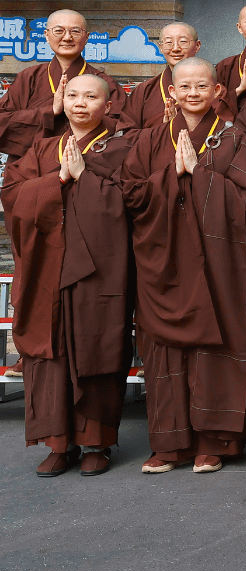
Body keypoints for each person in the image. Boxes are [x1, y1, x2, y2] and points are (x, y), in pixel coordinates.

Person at [121, 58, 246, 474]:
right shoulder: (148, 140)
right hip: (163, 259)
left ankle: (213, 442)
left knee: (217, 348)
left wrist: (200, 176)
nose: (194, 92)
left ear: (218, 91)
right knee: (164, 352)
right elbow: (130, 195)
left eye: (203, 85)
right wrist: (170, 176)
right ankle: (170, 443)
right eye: (186, 87)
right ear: (173, 92)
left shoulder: (235, 137)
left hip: (219, 259)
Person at [2, 75, 133, 478]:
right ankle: (58, 442)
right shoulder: (41, 148)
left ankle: (97, 442)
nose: (80, 103)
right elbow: (12, 194)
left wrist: (88, 181)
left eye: (91, 96)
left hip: (100, 269)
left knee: (97, 346)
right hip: (47, 267)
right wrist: (57, 180)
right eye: (72, 96)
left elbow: (137, 197)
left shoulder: (126, 146)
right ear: (61, 100)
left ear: (108, 105)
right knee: (51, 352)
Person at [0, 9, 129, 161]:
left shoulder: (104, 83)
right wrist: (50, 112)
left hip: (85, 167)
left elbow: (122, 131)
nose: (67, 38)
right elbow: (3, 122)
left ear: (87, 37)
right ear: (46, 36)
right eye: (59, 31)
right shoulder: (29, 77)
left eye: (75, 31)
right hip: (30, 168)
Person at [125, 22, 220, 130]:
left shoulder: (213, 90)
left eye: (183, 42)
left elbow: (223, 134)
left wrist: (182, 128)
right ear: (160, 47)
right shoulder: (144, 90)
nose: (175, 48)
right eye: (169, 42)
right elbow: (127, 134)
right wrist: (164, 133)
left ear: (197, 46)